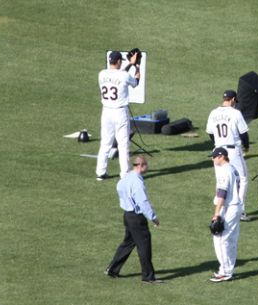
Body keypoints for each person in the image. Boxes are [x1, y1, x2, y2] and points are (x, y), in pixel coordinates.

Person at [104, 155, 163, 284]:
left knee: (128, 243)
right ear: (141, 165)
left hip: (127, 215)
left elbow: (118, 187)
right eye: (146, 164)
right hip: (137, 218)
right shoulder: (137, 182)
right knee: (144, 246)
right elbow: (143, 202)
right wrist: (153, 218)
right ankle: (148, 276)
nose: (148, 167)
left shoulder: (126, 178)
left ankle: (112, 269)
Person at [206, 90, 251, 221]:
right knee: (242, 179)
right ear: (232, 100)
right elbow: (243, 133)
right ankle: (240, 211)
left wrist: (217, 144)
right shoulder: (236, 113)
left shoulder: (213, 113)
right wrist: (246, 146)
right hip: (232, 151)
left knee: (221, 179)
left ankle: (220, 209)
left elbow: (210, 133)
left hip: (218, 151)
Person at [96, 51, 140, 181]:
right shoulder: (124, 75)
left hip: (106, 112)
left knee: (105, 143)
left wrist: (129, 65)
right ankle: (124, 174)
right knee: (123, 144)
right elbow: (135, 82)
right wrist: (136, 67)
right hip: (120, 112)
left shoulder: (101, 74)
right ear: (119, 61)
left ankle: (100, 172)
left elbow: (119, 77)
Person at [209, 147, 243, 282]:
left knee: (221, 239)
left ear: (221, 156)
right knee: (232, 239)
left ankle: (224, 271)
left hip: (229, 208)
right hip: (235, 206)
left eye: (214, 157)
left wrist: (216, 214)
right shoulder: (233, 169)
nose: (212, 159)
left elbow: (222, 194)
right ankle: (229, 269)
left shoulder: (225, 171)